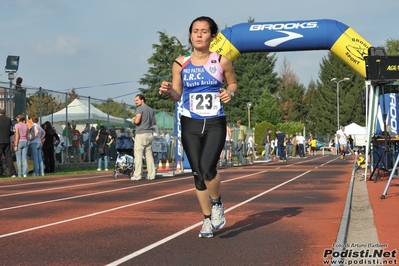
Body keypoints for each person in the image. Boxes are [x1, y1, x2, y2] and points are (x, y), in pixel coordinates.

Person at [159, 16, 238, 238]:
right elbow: (177, 94)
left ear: (212, 36)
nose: (199, 35)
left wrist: (229, 92)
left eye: (204, 31)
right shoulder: (180, 63)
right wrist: (168, 91)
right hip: (190, 122)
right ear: (190, 35)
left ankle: (217, 202)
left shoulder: (221, 61)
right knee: (196, 174)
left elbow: (232, 82)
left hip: (215, 122)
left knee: (207, 168)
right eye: (195, 31)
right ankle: (206, 220)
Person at [131, 94, 157, 181]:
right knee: (149, 155)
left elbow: (137, 121)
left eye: (137, 100)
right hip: (149, 133)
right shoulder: (150, 109)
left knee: (138, 155)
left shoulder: (139, 109)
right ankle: (151, 175)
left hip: (141, 133)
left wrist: (133, 120)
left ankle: (137, 175)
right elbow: (154, 122)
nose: (135, 102)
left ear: (142, 100)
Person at [0, 108, 17, 177]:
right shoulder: (8, 119)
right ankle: (13, 173)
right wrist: (11, 133)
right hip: (6, 140)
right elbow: (9, 130)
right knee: (8, 157)